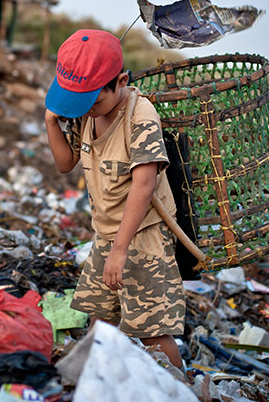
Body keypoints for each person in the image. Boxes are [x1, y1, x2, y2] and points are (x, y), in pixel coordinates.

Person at [44, 29, 185, 369]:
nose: (88, 110)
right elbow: (65, 164)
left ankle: (183, 388)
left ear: (120, 81)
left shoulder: (140, 115)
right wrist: (51, 119)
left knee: (152, 331)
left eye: (95, 101)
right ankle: (99, 383)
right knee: (100, 319)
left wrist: (120, 250)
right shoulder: (84, 111)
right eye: (79, 103)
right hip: (107, 233)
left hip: (143, 235)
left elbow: (144, 184)